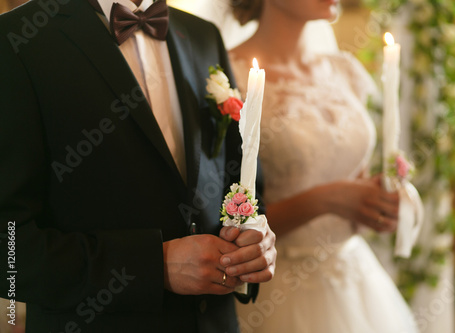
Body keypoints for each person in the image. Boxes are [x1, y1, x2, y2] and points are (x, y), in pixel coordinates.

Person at [0, 0, 276, 332]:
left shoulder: (203, 36)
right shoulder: (15, 41)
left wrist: (253, 241)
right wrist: (153, 266)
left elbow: (242, 179)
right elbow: (9, 247)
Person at [226, 0, 418, 332]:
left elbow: (352, 177)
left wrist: (376, 203)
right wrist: (329, 199)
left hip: (355, 278)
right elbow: (232, 222)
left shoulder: (345, 70)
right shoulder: (230, 76)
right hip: (276, 288)